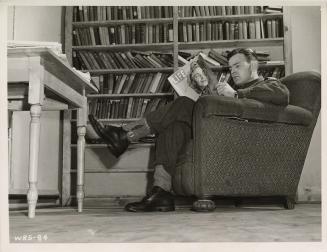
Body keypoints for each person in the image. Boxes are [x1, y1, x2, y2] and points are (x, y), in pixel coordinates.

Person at [88, 48, 290, 212]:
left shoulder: (270, 83)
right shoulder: (227, 87)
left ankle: (125, 134)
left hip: (241, 139)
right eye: (230, 67)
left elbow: (282, 95)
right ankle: (161, 193)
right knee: (174, 127)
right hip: (215, 133)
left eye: (238, 66)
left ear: (253, 65)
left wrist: (236, 95)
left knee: (184, 104)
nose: (233, 71)